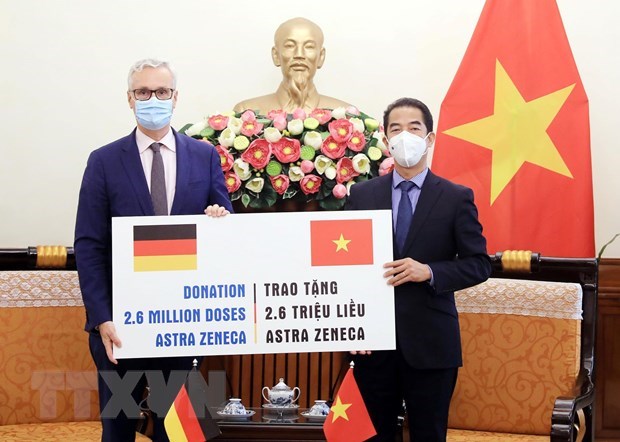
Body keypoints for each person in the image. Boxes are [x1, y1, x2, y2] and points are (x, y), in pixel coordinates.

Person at [74, 58, 232, 442]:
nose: (153, 99)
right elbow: (89, 244)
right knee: (119, 431)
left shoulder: (204, 155)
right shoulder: (104, 160)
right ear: (130, 99)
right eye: (143, 92)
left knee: (179, 433)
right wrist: (101, 318)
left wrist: (220, 216)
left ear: (175, 97)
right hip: (121, 329)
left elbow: (226, 227)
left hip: (183, 324)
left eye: (161, 92)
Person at [345, 98, 492, 441]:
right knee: (373, 435)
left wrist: (430, 271)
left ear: (430, 138)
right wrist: (355, 329)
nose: (405, 135)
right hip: (373, 345)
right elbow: (346, 267)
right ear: (385, 139)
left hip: (431, 344)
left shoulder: (456, 197)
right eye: (396, 129)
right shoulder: (362, 194)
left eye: (414, 128)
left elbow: (479, 264)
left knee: (428, 434)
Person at [233, 17, 351, 114]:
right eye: (290, 46)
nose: (299, 54)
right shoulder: (246, 112)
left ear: (321, 57)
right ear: (276, 55)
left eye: (309, 46)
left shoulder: (346, 115)